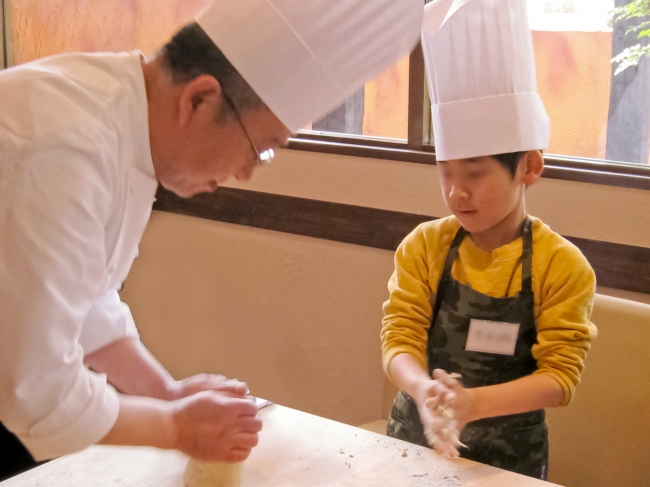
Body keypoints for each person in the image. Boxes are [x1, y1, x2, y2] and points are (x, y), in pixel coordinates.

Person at [0, 0, 423, 480]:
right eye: (257, 147)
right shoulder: (65, 149)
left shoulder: (124, 124)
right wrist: (175, 427)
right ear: (198, 99)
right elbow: (36, 393)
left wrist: (166, 394)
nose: (245, 172)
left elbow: (88, 297)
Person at [381, 0, 597, 480]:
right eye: (446, 173)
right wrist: (426, 391)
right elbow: (399, 339)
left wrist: (473, 403)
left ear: (529, 167)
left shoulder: (561, 265)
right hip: (414, 447)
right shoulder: (425, 247)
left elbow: (560, 378)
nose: (456, 192)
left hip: (508, 467)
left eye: (475, 174)